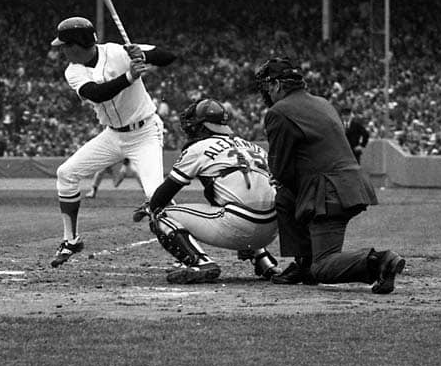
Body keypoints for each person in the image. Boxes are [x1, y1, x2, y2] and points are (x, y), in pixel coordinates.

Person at [254, 58, 405, 294]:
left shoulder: (279, 111)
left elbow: (281, 169)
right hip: (351, 184)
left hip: (329, 193)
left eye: (267, 85)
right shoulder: (322, 103)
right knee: (285, 199)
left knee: (323, 267)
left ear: (276, 85)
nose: (266, 92)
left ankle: (380, 261)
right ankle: (303, 264)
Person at [49, 16, 176, 268]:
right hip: (113, 135)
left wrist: (143, 54)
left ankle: (188, 255)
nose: (61, 51)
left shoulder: (119, 51)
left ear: (77, 44)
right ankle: (71, 240)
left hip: (145, 133)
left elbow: (168, 56)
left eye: (64, 45)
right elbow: (97, 93)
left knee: (156, 196)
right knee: (66, 174)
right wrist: (129, 76)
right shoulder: (73, 70)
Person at [134, 98, 281, 284]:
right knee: (239, 199)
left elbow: (165, 193)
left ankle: (200, 262)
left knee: (160, 214)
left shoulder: (199, 148)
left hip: (239, 224)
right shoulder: (253, 146)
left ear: (203, 127)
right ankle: (265, 263)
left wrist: (150, 206)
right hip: (271, 229)